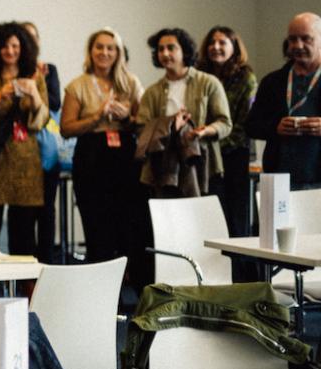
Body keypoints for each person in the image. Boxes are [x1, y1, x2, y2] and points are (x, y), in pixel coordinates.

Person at [60, 29, 148, 284]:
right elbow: (66, 128)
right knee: (97, 229)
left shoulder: (131, 83)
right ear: (91, 51)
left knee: (128, 227)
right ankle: (100, 292)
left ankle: (127, 291)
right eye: (99, 47)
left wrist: (127, 118)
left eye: (111, 48)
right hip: (91, 157)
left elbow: (144, 125)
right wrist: (97, 117)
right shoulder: (78, 85)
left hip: (125, 158)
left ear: (118, 53)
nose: (105, 53)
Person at [0, 22, 49, 256]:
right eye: (4, 46)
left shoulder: (35, 78)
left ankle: (25, 285)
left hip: (25, 163)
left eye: (15, 45)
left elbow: (42, 120)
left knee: (24, 232)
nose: (10, 51)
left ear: (24, 48)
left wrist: (33, 94)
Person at [135, 27, 231, 198]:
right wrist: (170, 125)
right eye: (160, 49)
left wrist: (204, 131)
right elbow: (141, 128)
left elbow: (224, 123)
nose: (165, 53)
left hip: (202, 164)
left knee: (203, 219)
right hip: (163, 168)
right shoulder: (152, 92)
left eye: (171, 48)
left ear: (184, 50)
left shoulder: (208, 82)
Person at [249, 12, 321, 191]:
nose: (298, 45)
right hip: (279, 181)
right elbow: (251, 125)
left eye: (306, 39)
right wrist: (276, 127)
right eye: (292, 39)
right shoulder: (273, 81)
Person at [198, 25, 257, 235]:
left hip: (234, 154)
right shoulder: (200, 76)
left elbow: (245, 124)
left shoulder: (245, 78)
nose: (216, 47)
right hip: (205, 155)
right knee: (211, 214)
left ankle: (240, 267)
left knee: (235, 216)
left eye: (222, 42)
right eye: (212, 43)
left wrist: (213, 139)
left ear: (234, 47)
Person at [21, 22, 64, 262]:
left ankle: (47, 264)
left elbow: (55, 103)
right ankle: (26, 271)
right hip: (19, 153)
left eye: (33, 37)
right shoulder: (10, 71)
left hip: (46, 151)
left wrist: (38, 82)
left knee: (47, 210)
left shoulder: (48, 69)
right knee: (23, 216)